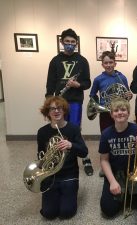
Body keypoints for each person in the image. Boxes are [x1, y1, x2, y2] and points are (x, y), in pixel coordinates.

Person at [99, 98, 137, 218]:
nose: (120, 112)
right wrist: (112, 182)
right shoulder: (106, 133)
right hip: (116, 173)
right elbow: (104, 160)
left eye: (123, 109)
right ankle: (127, 191)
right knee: (108, 210)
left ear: (128, 113)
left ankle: (128, 193)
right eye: (116, 110)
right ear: (111, 114)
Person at [45, 28, 93, 176]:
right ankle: (61, 157)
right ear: (62, 42)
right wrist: (48, 99)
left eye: (73, 42)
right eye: (67, 42)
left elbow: (87, 82)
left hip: (75, 101)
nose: (70, 44)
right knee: (59, 129)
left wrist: (77, 85)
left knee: (75, 129)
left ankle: (85, 158)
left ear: (76, 43)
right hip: (59, 100)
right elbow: (50, 82)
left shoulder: (82, 60)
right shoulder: (55, 60)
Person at [38, 96, 88, 219]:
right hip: (51, 176)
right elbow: (40, 156)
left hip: (69, 175)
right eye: (52, 109)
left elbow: (84, 152)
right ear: (48, 112)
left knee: (66, 212)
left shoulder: (73, 129)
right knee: (48, 213)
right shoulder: (42, 132)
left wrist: (71, 145)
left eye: (59, 108)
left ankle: (65, 194)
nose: (56, 111)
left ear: (64, 110)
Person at [90, 50, 132, 177]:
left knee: (119, 138)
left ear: (115, 63)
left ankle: (119, 164)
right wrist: (97, 105)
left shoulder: (121, 77)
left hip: (119, 112)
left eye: (111, 62)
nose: (108, 65)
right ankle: (105, 165)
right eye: (106, 63)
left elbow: (126, 94)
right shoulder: (98, 79)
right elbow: (92, 96)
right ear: (102, 64)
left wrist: (129, 96)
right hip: (105, 112)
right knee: (106, 137)